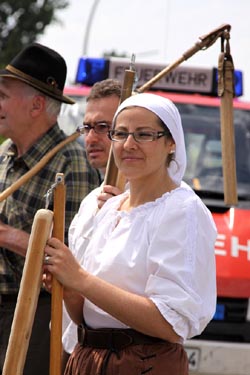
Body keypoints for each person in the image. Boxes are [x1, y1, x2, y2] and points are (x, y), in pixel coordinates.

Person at [44, 93, 217, 375]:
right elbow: (85, 316)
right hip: (89, 359)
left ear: (171, 142)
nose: (128, 145)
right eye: (120, 134)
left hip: (142, 364)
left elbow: (169, 323)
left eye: (144, 134)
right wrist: (68, 288)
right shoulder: (109, 207)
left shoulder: (181, 210)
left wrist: (81, 279)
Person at [0, 42, 100, 375]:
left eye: (3, 95)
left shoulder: (72, 163)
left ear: (37, 105)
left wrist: (7, 235)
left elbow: (73, 260)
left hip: (37, 313)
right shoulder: (5, 154)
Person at [61, 78, 122, 368]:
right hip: (79, 351)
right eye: (87, 127)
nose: (90, 138)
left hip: (126, 359)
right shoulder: (89, 204)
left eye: (103, 128)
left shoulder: (162, 202)